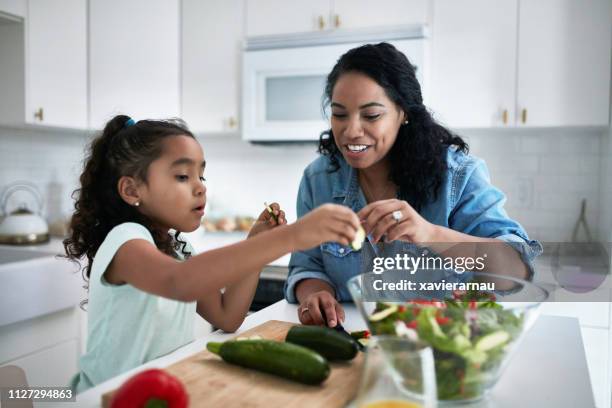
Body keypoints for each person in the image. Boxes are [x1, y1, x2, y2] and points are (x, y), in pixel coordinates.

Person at [63, 115, 361, 392]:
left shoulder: (179, 250)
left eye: (201, 177)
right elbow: (179, 282)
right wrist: (291, 236)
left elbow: (226, 315)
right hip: (105, 397)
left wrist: (254, 244)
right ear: (131, 190)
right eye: (182, 176)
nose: (200, 189)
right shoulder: (126, 240)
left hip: (159, 391)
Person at [284, 42, 542, 328]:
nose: (351, 131)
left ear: (403, 113)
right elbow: (307, 265)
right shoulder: (318, 180)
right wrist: (317, 292)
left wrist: (429, 232)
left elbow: (515, 270)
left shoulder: (458, 176)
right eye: (340, 114)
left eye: (371, 115)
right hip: (350, 345)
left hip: (443, 347)